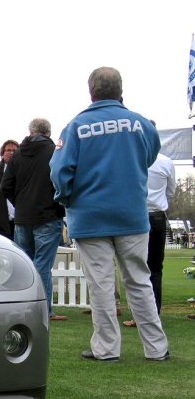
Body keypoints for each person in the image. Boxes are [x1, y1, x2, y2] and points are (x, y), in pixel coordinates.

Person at [50, 66, 169, 362]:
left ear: (91, 91)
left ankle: (106, 349)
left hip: (89, 217)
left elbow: (59, 170)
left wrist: (66, 198)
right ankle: (156, 348)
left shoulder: (76, 127)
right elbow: (151, 155)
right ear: (121, 91)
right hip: (132, 214)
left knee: (101, 285)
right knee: (139, 281)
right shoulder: (141, 124)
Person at [1, 118, 67, 321]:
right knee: (42, 266)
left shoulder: (17, 155)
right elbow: (63, 179)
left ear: (30, 132)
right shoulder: (55, 152)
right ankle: (43, 311)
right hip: (48, 216)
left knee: (25, 266)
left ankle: (23, 308)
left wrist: (20, 203)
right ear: (48, 132)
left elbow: (6, 186)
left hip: (23, 218)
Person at [123, 139, 175, 327]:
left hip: (136, 216)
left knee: (136, 268)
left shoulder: (130, 160)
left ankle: (138, 315)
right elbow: (171, 192)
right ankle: (154, 314)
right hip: (158, 216)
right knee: (155, 269)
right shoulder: (166, 162)